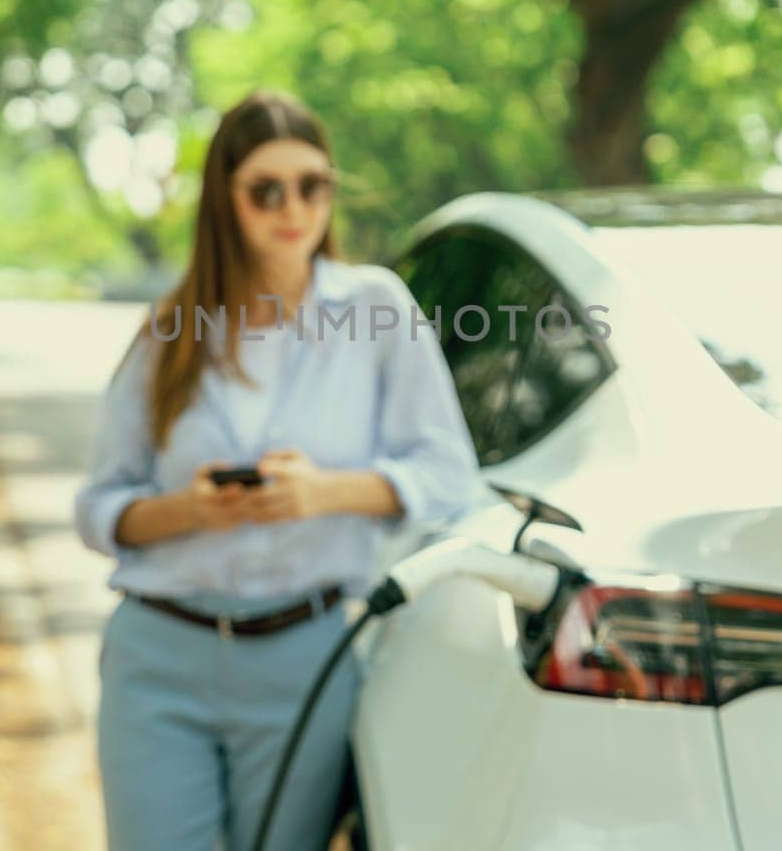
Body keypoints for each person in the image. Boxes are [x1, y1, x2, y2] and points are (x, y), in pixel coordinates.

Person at [73, 89, 486, 851]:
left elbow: (450, 476)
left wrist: (324, 493)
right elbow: (100, 506)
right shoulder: (170, 329)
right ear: (224, 202)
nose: (293, 207)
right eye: (266, 189)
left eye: (313, 184)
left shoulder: (378, 311)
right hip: (159, 661)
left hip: (306, 659)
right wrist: (190, 511)